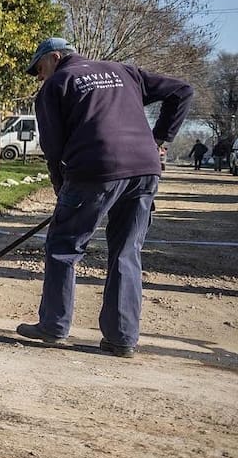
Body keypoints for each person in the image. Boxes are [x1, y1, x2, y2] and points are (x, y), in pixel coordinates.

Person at [16, 37, 193, 358]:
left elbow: (53, 149)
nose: (40, 77)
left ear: (55, 57)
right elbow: (181, 90)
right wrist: (159, 140)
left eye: (40, 69)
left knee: (63, 247)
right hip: (145, 169)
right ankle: (122, 338)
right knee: (127, 250)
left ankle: (53, 326)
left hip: (94, 167)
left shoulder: (57, 84)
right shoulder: (124, 71)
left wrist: (62, 189)